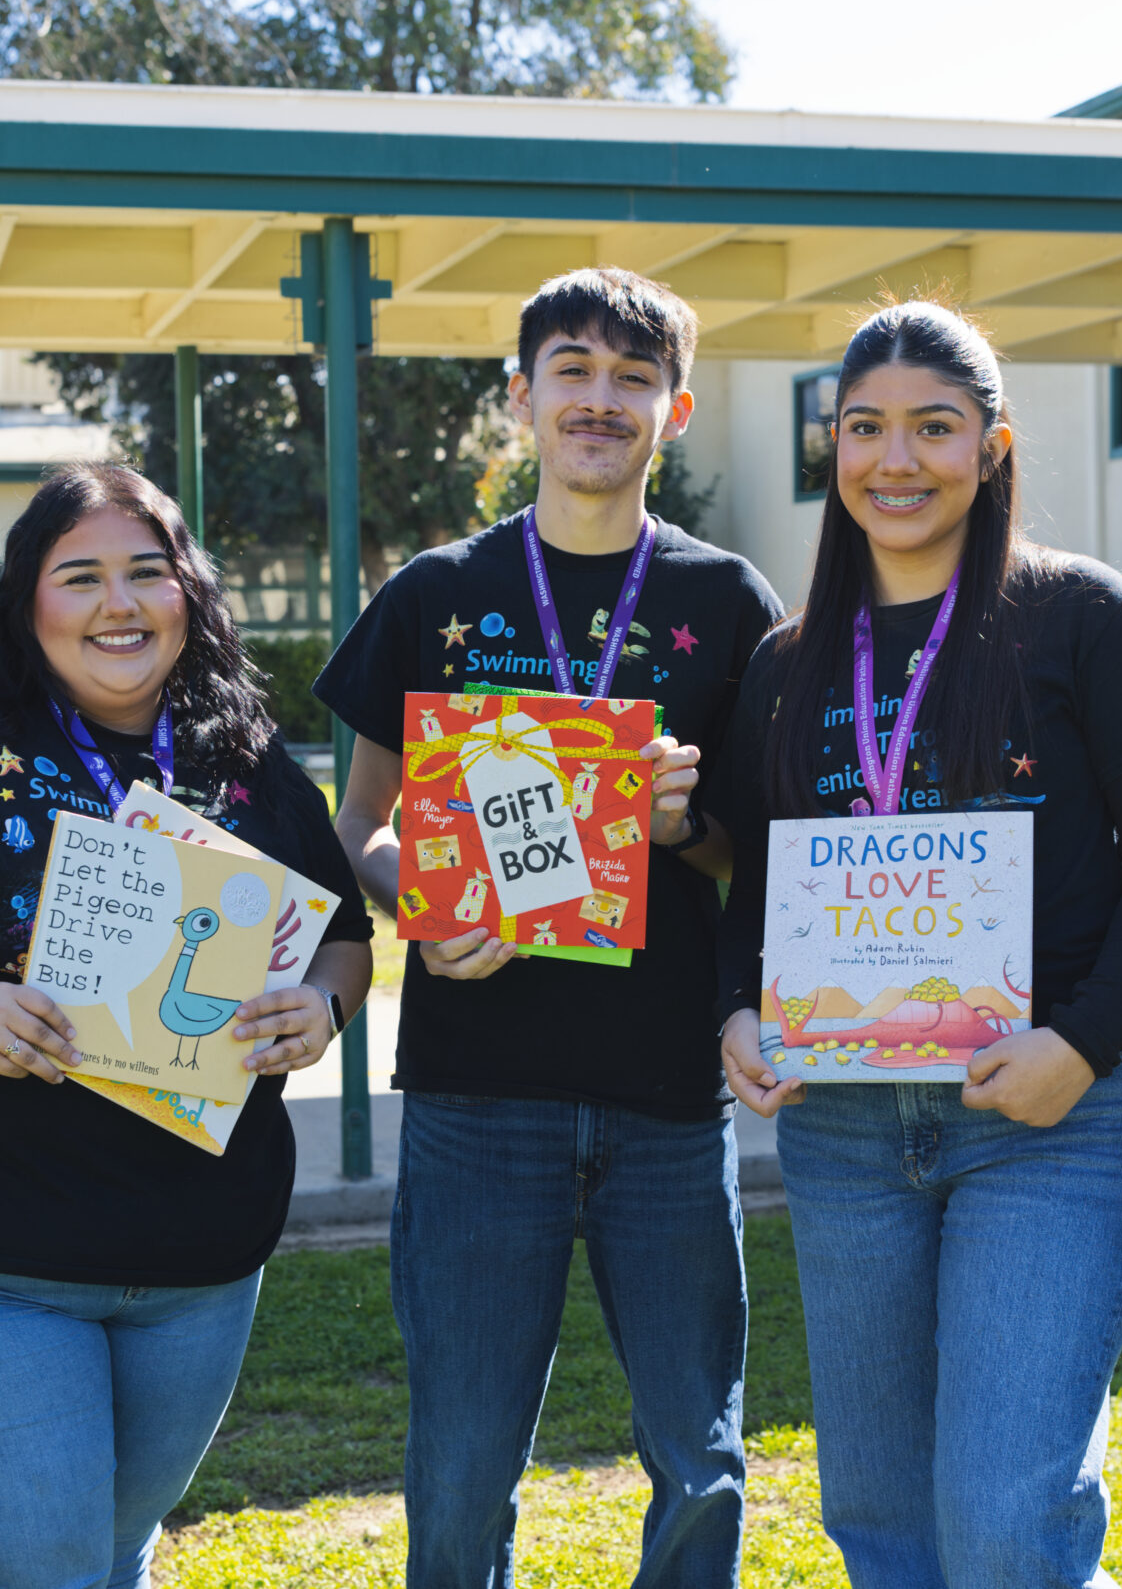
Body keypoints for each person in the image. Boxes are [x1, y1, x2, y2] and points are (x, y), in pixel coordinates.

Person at [713, 299, 1122, 1589]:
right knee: (879, 1519)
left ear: (991, 447)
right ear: (832, 450)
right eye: (864, 428)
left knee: (1004, 1522)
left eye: (934, 427)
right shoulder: (783, 664)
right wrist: (735, 1012)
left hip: (1047, 1120)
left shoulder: (1080, 618)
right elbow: (757, 875)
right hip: (845, 1130)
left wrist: (1085, 1041)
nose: (897, 459)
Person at [0, 462, 373, 1589]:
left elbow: (343, 936)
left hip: (195, 1267)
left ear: (187, 595)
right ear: (28, 602)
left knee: (110, 1554)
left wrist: (319, 1007)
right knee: (43, 1566)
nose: (118, 604)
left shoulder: (248, 758)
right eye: (81, 576)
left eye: (146, 573)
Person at [316, 267, 782, 1586]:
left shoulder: (731, 603)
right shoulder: (433, 593)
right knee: (462, 1456)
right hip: (478, 1093)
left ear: (676, 408)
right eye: (571, 368)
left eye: (634, 376)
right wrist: (423, 900)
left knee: (700, 1448)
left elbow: (764, 856)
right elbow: (360, 830)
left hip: (669, 1098)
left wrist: (681, 821)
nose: (599, 398)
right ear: (519, 397)